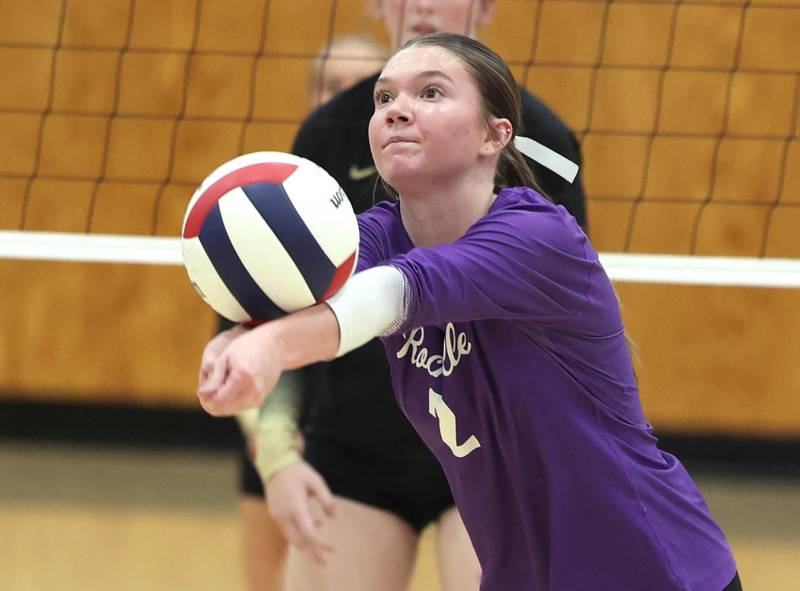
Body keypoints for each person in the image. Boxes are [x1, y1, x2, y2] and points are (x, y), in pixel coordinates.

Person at [199, 32, 741, 591]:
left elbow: (394, 294)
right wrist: (236, 338)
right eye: (384, 99)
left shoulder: (538, 235)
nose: (397, 111)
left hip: (651, 569)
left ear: (494, 135)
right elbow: (302, 290)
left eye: (430, 93)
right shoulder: (374, 235)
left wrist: (267, 348)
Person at [246, 1, 586, 590]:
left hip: (498, 450)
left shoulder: (544, 142)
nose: (423, 3)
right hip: (358, 446)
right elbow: (287, 306)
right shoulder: (329, 131)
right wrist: (276, 459)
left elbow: (565, 329)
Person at [231, 34, 387, 591]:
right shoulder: (265, 213)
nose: (345, 97)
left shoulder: (403, 203)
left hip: (378, 431)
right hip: (291, 418)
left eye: (364, 86)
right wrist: (274, 446)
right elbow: (240, 343)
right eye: (331, 85)